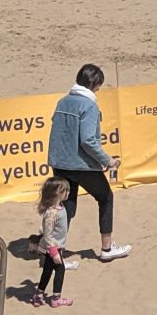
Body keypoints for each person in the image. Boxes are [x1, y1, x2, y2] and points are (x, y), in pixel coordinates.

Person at [47, 64, 128, 262]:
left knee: (67, 207)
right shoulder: (89, 105)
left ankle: (55, 253)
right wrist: (107, 160)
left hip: (60, 162)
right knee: (105, 197)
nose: (99, 88)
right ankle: (107, 248)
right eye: (98, 84)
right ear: (93, 83)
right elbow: (88, 140)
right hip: (81, 164)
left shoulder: (62, 101)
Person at [30, 176, 73, 308]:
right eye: (65, 191)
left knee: (47, 270)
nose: (68, 193)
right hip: (52, 248)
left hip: (52, 246)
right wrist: (54, 252)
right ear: (57, 193)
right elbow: (48, 234)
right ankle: (56, 298)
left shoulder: (60, 206)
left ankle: (38, 294)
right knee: (60, 270)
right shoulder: (52, 213)